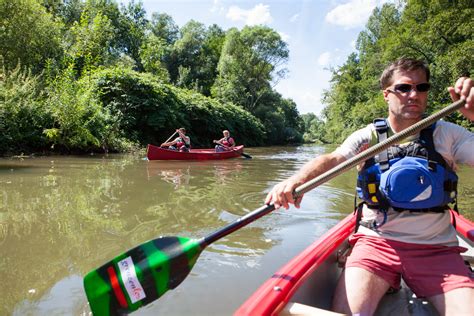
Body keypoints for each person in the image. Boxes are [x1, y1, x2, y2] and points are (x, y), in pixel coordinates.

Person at [265, 58, 474, 315]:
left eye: (421, 88)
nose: (413, 95)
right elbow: (332, 159)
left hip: (436, 249)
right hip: (376, 243)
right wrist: (296, 181)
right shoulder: (369, 137)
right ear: (387, 95)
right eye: (404, 88)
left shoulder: (449, 134)